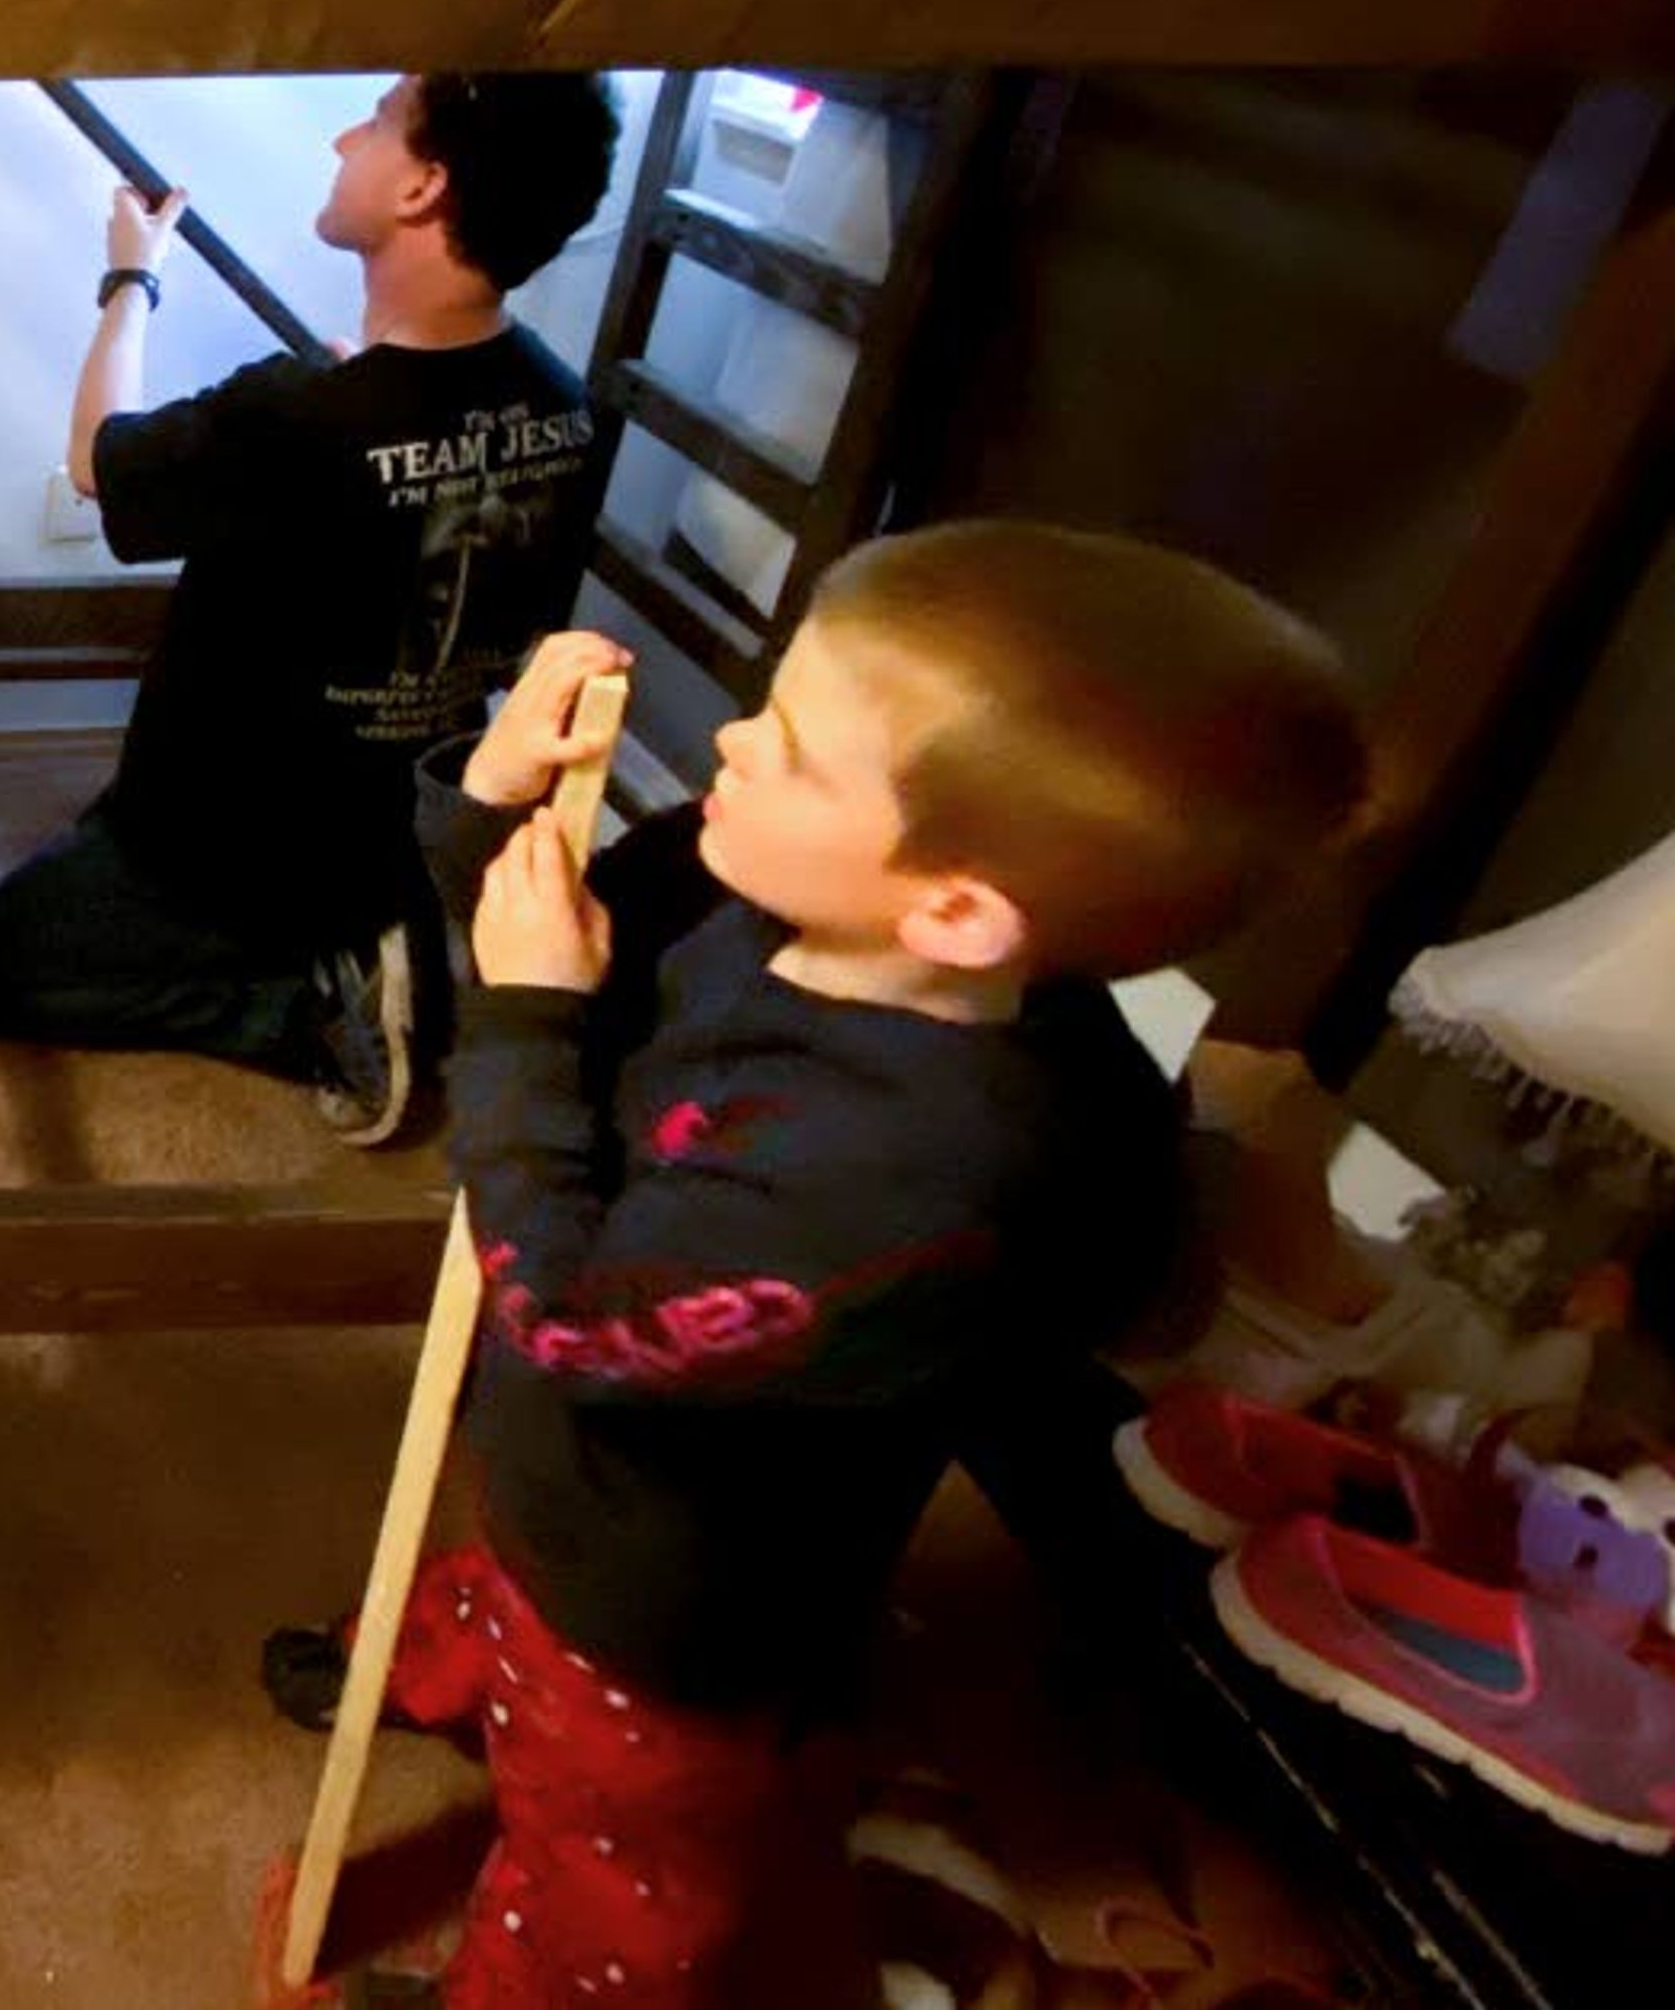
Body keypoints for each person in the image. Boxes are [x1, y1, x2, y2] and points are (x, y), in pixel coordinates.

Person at [300, 525, 1366, 2008]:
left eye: (789, 745)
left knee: (615, 1877)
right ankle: (438, 1660)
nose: (730, 738)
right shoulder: (773, 890)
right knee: (513, 1557)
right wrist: (487, 813)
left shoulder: (899, 1172)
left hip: (664, 1610)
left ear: (952, 908)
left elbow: (562, 1321)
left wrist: (526, 1021)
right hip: (594, 1490)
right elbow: (574, 936)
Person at [0, 70, 621, 1141]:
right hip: (400, 834)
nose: (347, 135)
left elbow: (91, 460)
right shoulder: (562, 407)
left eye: (381, 120)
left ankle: (305, 1012)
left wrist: (131, 276)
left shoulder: (299, 417)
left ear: (422, 189)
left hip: (223, 851)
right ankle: (378, 946)